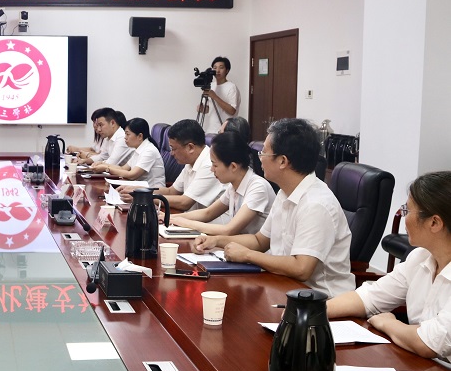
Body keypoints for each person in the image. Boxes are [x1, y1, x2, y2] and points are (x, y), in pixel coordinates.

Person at [193, 118, 354, 297]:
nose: (260, 158)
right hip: (282, 286)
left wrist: (247, 255)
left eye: (264, 152)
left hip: (320, 301)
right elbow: (260, 241)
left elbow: (301, 268)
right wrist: (215, 241)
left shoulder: (316, 204)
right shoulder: (285, 192)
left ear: (283, 161)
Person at [327, 171, 451, 358]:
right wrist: (315, 311)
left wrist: (388, 323)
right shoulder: (420, 257)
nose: (404, 218)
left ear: (434, 223)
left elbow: (428, 343)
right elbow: (370, 298)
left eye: (407, 211)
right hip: (423, 365)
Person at [168, 132, 275, 235]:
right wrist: (171, 217)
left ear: (233, 166)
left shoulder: (258, 187)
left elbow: (228, 230)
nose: (211, 169)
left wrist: (185, 223)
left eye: (215, 165)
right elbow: (208, 213)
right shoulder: (234, 186)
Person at [123, 119, 223, 211]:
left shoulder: (208, 165)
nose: (171, 153)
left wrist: (143, 198)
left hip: (206, 223)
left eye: (173, 148)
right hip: (190, 218)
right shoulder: (191, 162)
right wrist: (140, 190)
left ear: (190, 147)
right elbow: (171, 191)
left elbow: (184, 202)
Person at [92, 118, 165, 188]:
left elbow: (132, 175)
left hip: (152, 192)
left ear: (140, 136)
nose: (125, 137)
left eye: (127, 134)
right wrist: (103, 164)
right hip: (139, 188)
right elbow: (123, 168)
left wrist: (106, 168)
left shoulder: (149, 151)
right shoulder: (139, 149)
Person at [198, 56, 240, 134]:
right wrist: (201, 108)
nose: (217, 70)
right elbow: (207, 109)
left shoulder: (231, 87)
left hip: (226, 131)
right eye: (215, 68)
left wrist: (214, 96)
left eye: (221, 68)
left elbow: (232, 111)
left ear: (227, 70)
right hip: (211, 130)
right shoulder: (211, 86)